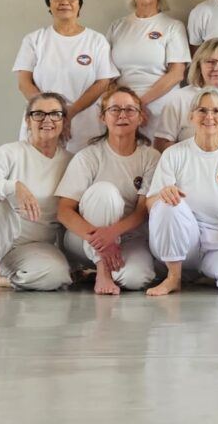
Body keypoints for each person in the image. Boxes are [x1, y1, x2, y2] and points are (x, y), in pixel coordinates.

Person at [145, 87, 218, 295]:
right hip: (182, 240)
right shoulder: (173, 154)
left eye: (216, 111)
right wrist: (161, 196)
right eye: (202, 110)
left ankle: (210, 274)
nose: (209, 116)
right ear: (191, 116)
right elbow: (150, 206)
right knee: (168, 203)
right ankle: (174, 277)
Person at [0, 93, 74, 294]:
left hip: (31, 247)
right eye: (38, 114)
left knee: (56, 277)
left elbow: (67, 215)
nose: (47, 120)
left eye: (55, 114)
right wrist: (13, 187)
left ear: (64, 121)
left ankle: (7, 278)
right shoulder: (9, 153)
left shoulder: (71, 162)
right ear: (27, 120)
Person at [56, 86, 160, 295]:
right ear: (103, 117)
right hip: (83, 238)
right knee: (105, 191)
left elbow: (142, 211)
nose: (122, 115)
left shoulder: (151, 157)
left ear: (140, 117)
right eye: (114, 109)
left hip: (128, 237)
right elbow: (64, 211)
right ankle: (102, 271)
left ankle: (96, 272)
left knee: (136, 279)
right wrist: (101, 240)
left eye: (130, 110)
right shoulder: (88, 157)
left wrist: (112, 234)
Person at [13, 0, 118, 153]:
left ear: (79, 3)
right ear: (49, 3)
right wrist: (51, 114)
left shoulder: (96, 40)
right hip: (42, 124)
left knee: (82, 168)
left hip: (85, 125)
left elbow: (103, 83)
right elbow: (24, 83)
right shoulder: (34, 40)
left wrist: (69, 113)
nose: (64, 2)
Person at [106, 0, 190, 137]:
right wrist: (124, 107)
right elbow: (107, 75)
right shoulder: (117, 27)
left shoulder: (173, 27)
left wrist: (139, 104)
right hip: (122, 111)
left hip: (160, 110)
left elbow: (176, 74)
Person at [154, 38, 218, 154]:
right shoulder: (178, 99)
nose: (217, 68)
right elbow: (162, 143)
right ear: (199, 66)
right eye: (210, 62)